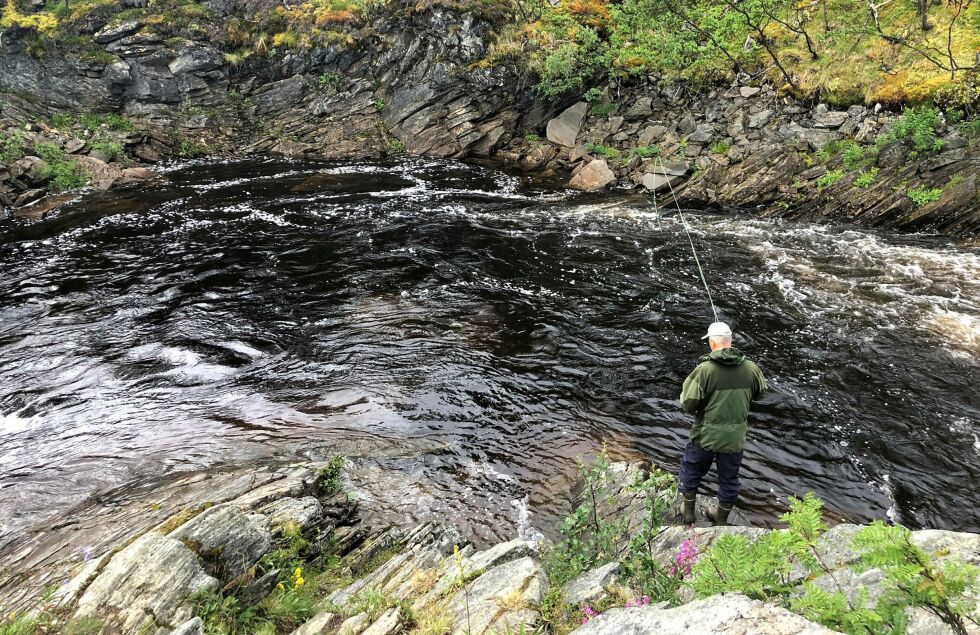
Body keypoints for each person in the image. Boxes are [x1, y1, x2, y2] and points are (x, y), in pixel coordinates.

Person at [677, 321, 767, 526]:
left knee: (691, 470)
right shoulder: (751, 368)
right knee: (729, 479)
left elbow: (688, 404)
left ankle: (688, 511)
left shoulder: (704, 370)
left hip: (705, 436)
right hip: (734, 439)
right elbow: (761, 393)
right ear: (731, 341)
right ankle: (721, 518)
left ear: (711, 343)